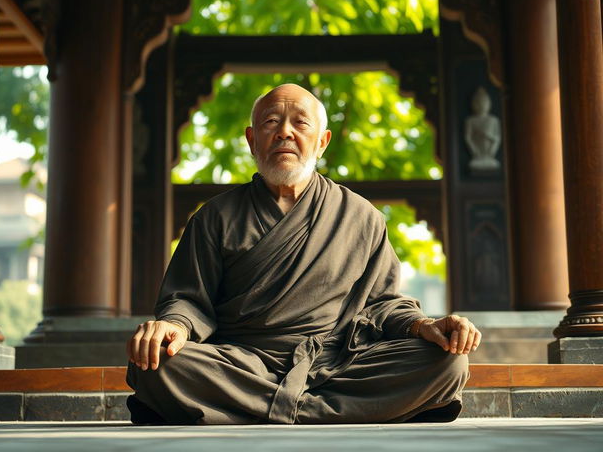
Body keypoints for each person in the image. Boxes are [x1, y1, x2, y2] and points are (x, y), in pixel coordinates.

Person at [126, 83, 481, 425]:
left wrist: (426, 325)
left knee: (448, 363)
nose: (284, 132)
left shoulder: (359, 216)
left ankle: (259, 409)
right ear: (252, 140)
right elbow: (188, 299)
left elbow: (383, 304)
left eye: (300, 122)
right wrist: (171, 326)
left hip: (335, 363)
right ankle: (331, 412)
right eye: (270, 122)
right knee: (158, 364)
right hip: (243, 363)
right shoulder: (215, 217)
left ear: (322, 141)